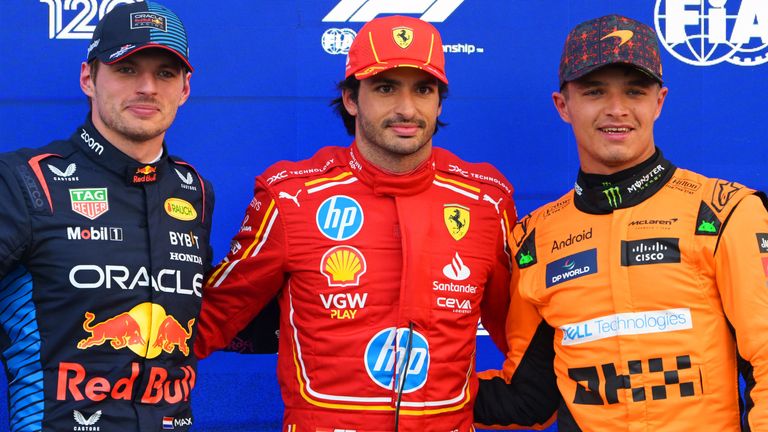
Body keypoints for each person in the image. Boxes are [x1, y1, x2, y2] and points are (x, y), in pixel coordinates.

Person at [194, 15, 546, 432]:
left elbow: (522, 333)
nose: (407, 108)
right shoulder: (290, 196)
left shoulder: (487, 199)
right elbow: (213, 316)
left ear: (439, 102)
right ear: (350, 98)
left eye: (423, 89)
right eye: (385, 88)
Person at [474, 14, 768, 431]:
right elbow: (527, 398)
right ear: (563, 106)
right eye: (595, 92)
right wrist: (402, 390)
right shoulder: (534, 239)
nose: (617, 110)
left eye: (634, 91)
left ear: (659, 102)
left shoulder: (726, 212)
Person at [0, 2, 213, 431]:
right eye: (127, 69)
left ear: (185, 89)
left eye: (165, 73)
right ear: (88, 79)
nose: (148, 87)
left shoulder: (195, 191)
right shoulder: (25, 181)